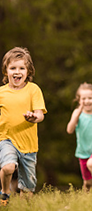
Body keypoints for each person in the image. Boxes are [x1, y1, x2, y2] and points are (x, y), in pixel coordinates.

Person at [0, 47, 47, 206]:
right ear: (6, 71)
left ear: (28, 71)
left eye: (21, 68)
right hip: (6, 139)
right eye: (13, 68)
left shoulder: (33, 90)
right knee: (8, 168)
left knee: (27, 192)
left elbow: (40, 114)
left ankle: (22, 206)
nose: (17, 71)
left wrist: (34, 117)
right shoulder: (1, 93)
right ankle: (5, 192)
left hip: (28, 144)